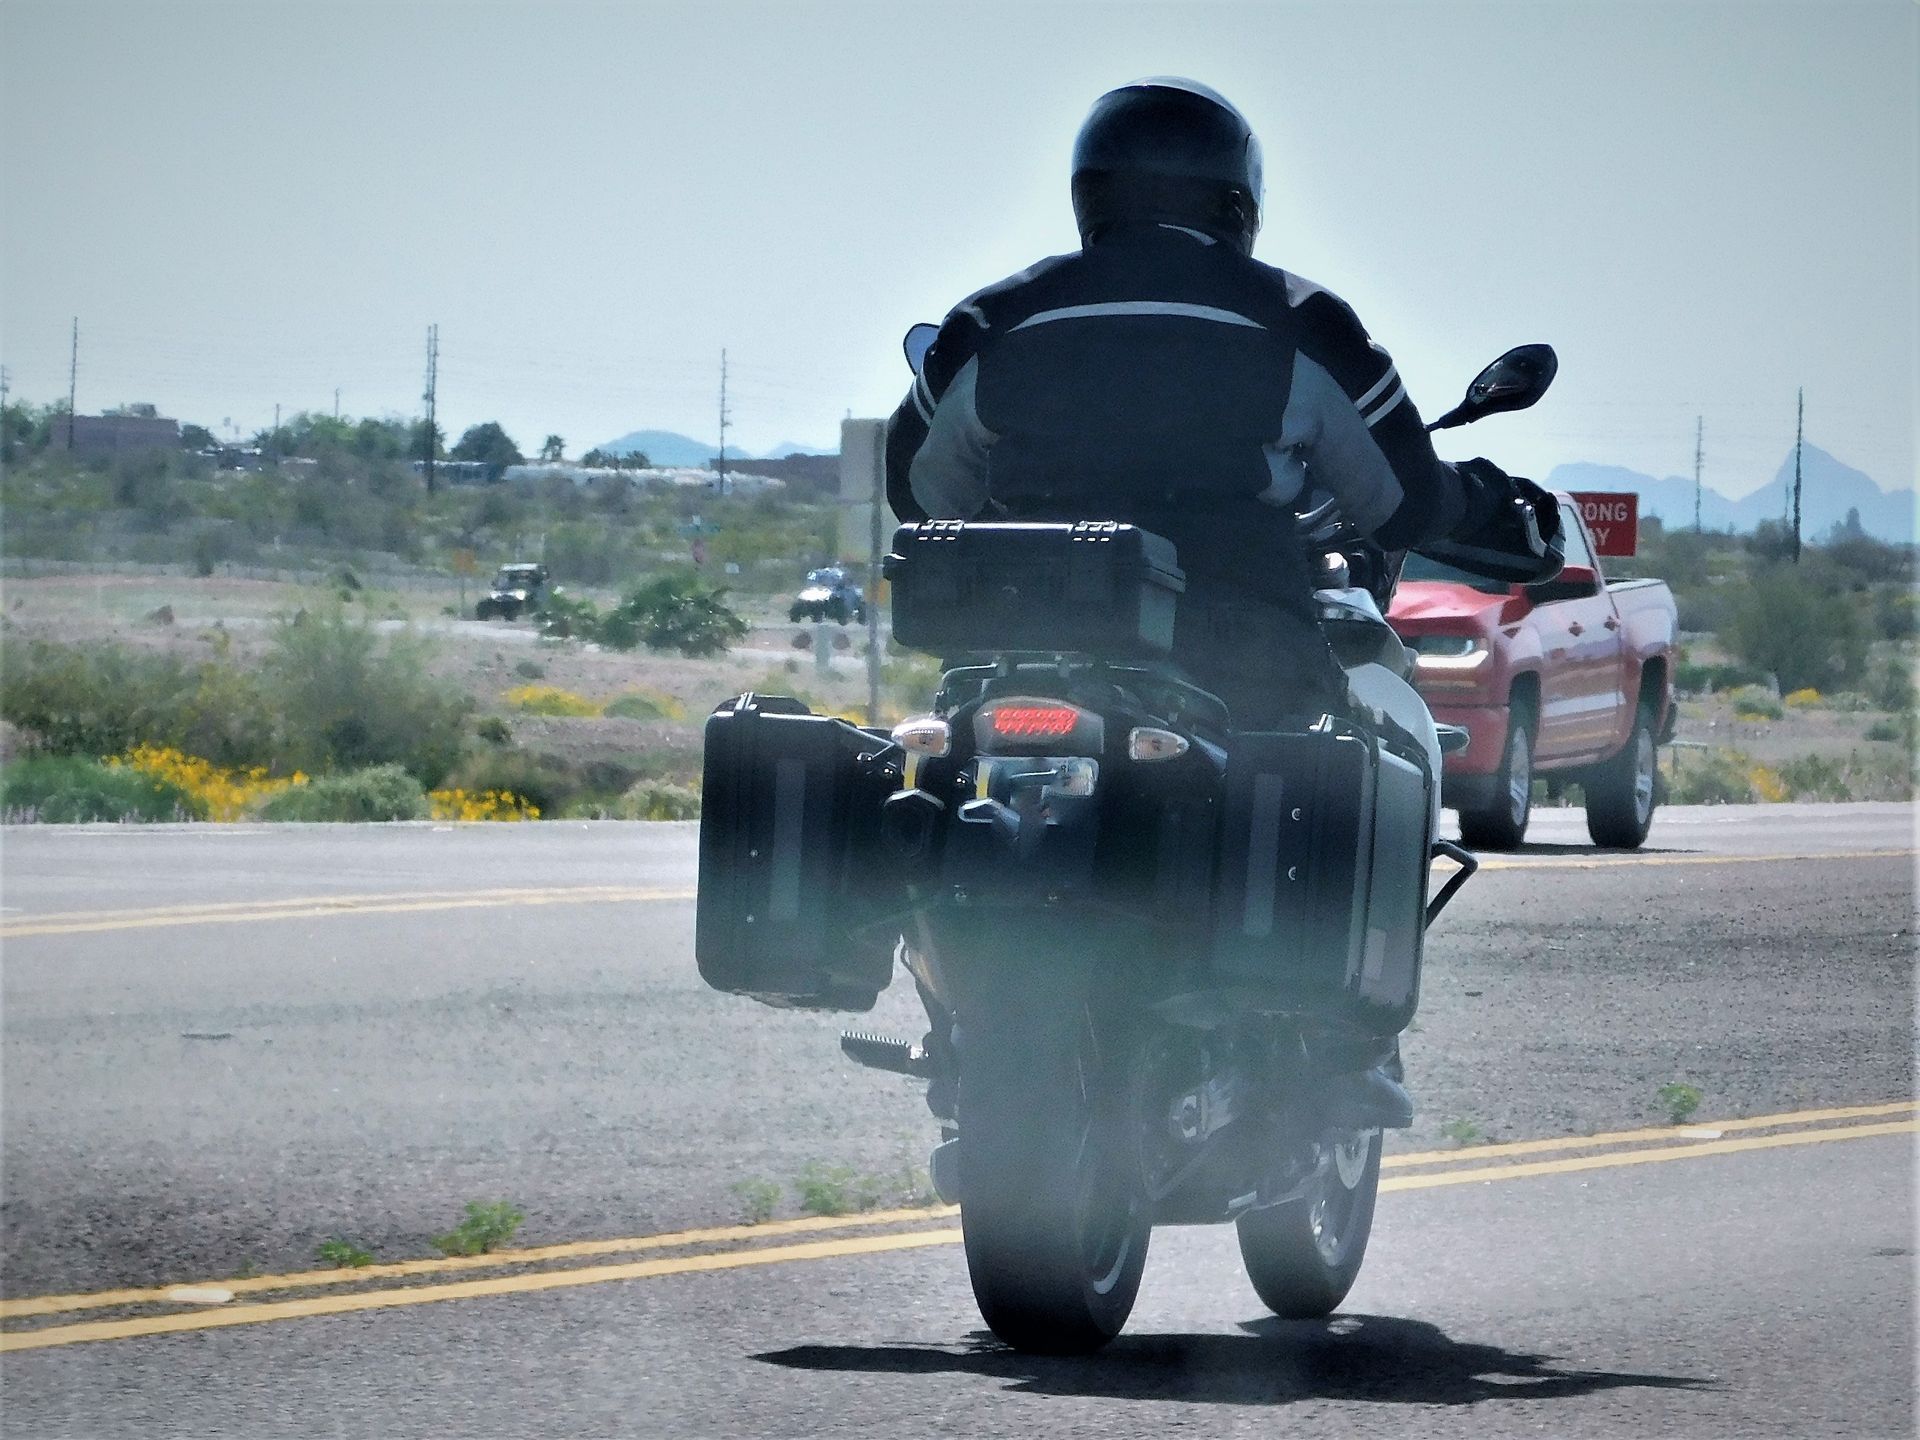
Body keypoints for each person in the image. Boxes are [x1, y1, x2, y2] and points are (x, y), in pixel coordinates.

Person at [885, 76, 1560, 730]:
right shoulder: (1300, 320)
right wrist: (1485, 502)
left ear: (1089, 188)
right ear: (1239, 198)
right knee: (1359, 751)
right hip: (1238, 642)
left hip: (1017, 646)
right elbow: (1403, 499)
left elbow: (918, 490)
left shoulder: (991, 319)